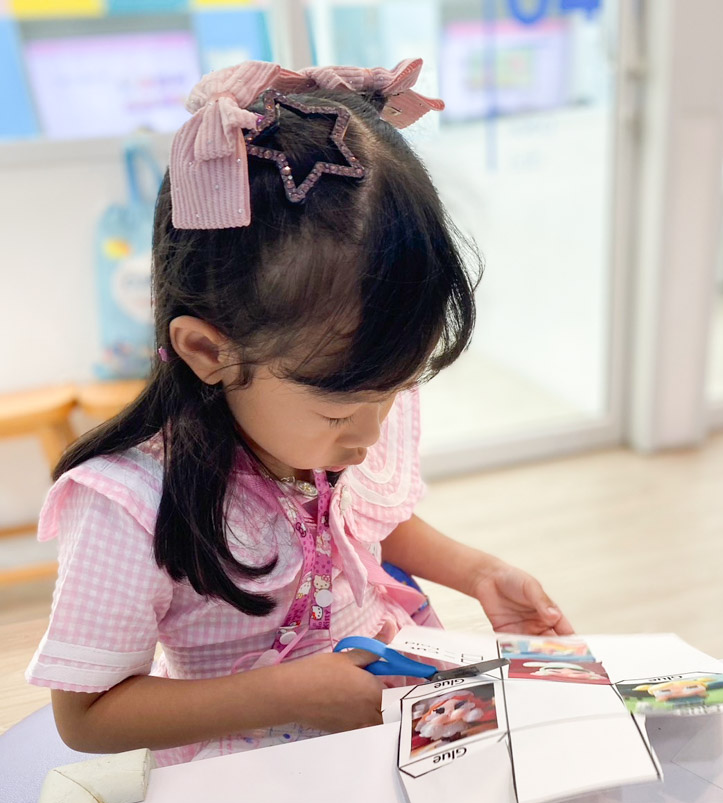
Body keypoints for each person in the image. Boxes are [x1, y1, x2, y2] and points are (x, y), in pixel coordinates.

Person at [26, 58, 573, 767]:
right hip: (255, 778)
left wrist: (478, 572)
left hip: (383, 723)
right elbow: (88, 717)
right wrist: (291, 694)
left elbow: (360, 519)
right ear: (208, 351)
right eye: (342, 413)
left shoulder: (322, 412)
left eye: (393, 393)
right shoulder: (129, 504)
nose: (368, 437)